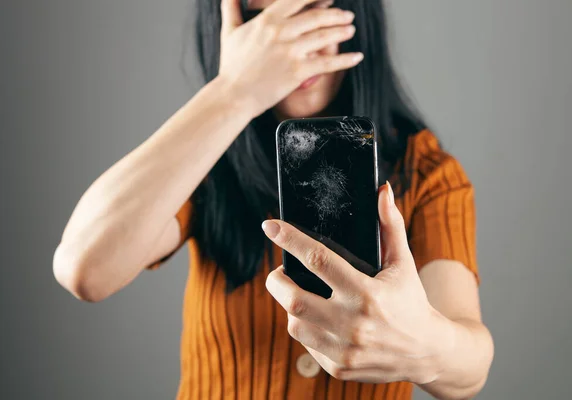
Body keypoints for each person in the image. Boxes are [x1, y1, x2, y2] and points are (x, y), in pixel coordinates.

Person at [53, 0, 494, 398]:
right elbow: (85, 267)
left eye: (308, 12)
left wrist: (425, 343)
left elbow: (470, 366)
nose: (290, 46)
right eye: (265, 22)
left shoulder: (426, 173)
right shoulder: (207, 158)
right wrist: (234, 92)